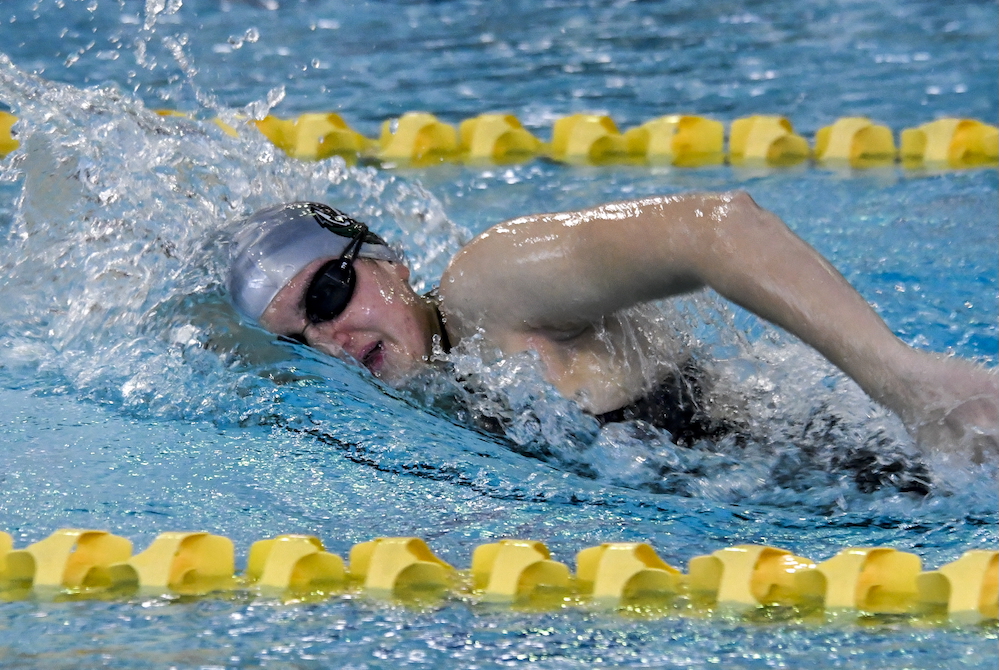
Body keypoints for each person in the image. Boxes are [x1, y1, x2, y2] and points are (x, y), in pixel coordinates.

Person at [228, 194, 999, 462]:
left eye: (329, 292)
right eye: (298, 337)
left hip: (908, 472)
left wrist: (903, 383)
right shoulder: (427, 389)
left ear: (388, 259)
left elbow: (714, 227)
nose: (329, 337)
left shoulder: (486, 289)